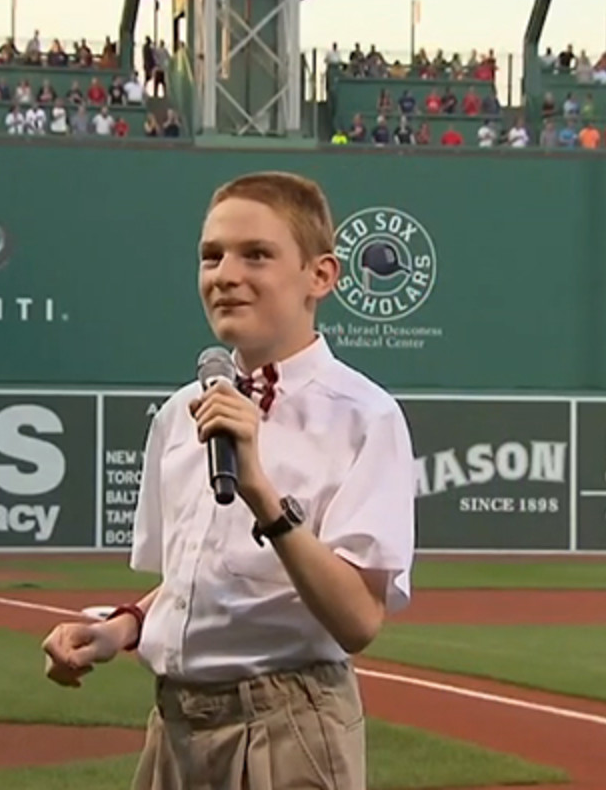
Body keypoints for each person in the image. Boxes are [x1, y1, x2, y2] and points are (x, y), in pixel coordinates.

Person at [42, 171, 416, 790]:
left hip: (286, 727)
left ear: (320, 277)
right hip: (174, 727)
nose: (225, 274)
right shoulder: (180, 412)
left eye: (257, 255)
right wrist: (119, 629)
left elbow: (358, 621)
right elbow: (194, 580)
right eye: (211, 256)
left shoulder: (364, 417)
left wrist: (261, 491)